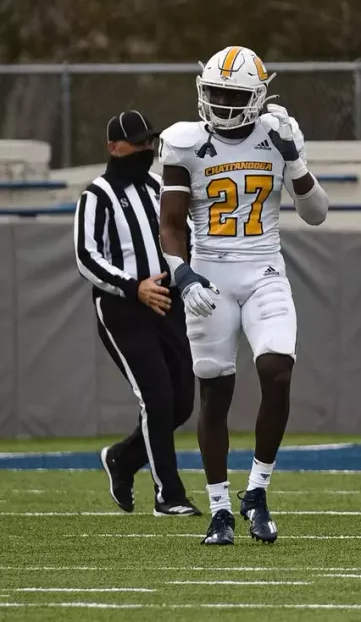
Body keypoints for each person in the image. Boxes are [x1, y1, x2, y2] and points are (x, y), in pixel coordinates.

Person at [157, 45, 330, 546]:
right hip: (208, 275)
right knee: (214, 393)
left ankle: (256, 490)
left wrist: (294, 156)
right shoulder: (183, 143)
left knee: (277, 370)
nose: (221, 103)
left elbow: (317, 213)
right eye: (214, 92)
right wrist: (182, 274)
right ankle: (218, 510)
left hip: (264, 271)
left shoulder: (280, 136)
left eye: (233, 95)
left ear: (257, 96)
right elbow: (170, 222)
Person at [74, 110, 199, 517]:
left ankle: (122, 460)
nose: (147, 149)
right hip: (123, 307)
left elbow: (184, 231)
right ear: (114, 147)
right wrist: (133, 286)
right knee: (157, 399)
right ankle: (169, 495)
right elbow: (86, 256)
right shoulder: (97, 194)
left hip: (167, 300)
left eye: (150, 142)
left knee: (181, 403)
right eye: (139, 142)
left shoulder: (158, 186)